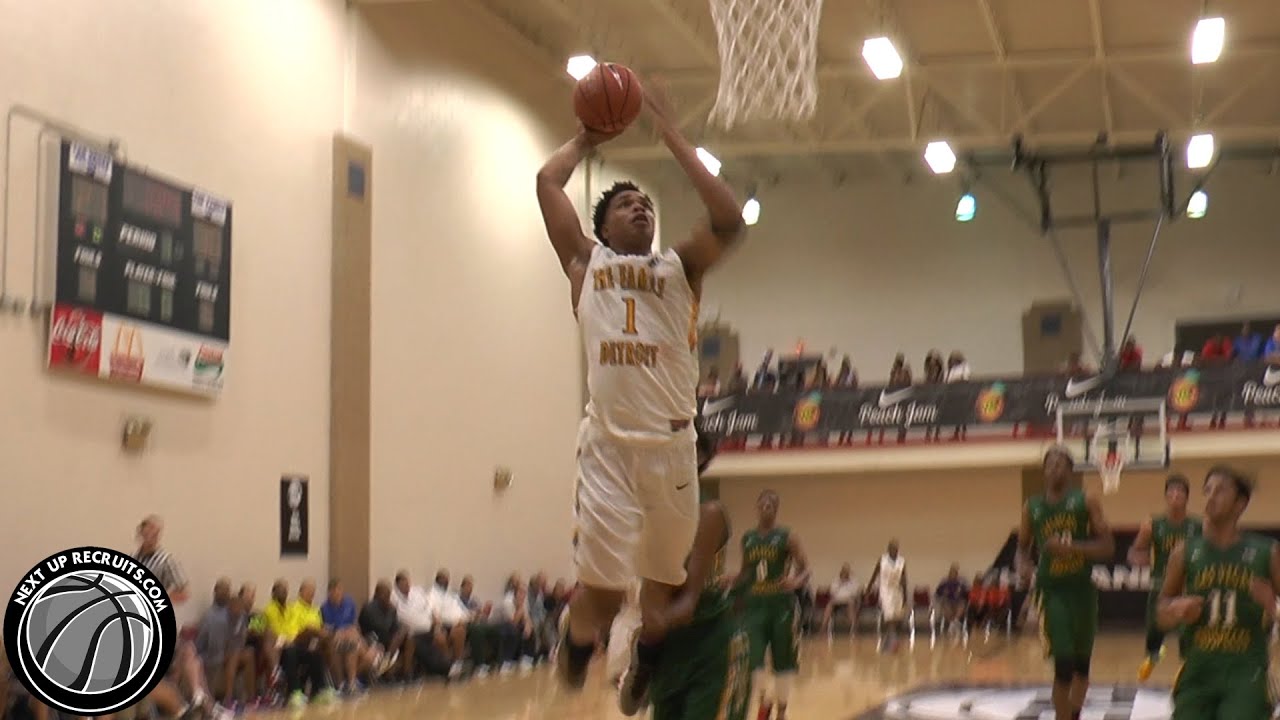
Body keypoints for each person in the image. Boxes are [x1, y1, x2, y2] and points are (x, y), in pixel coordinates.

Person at [535, 76, 744, 694]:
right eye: (626, 204)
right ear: (603, 226)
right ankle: (577, 641)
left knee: (662, 589)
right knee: (601, 597)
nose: (640, 208)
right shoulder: (586, 263)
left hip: (673, 449)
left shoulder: (681, 267)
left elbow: (730, 220)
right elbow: (547, 183)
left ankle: (646, 656)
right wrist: (586, 138)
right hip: (610, 447)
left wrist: (672, 136)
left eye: (646, 203)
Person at [1159, 466, 1279, 720]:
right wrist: (1175, 610)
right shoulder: (1184, 552)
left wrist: (1273, 606)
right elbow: (1160, 611)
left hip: (1246, 671)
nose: (1211, 496)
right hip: (1198, 670)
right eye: (1208, 490)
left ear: (1240, 504)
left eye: (1220, 490)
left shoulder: (1267, 553)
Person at [1017, 446, 1115, 720]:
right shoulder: (1032, 507)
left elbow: (1108, 546)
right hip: (1052, 591)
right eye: (1049, 464)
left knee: (1082, 668)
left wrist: (1072, 549)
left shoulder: (1086, 500)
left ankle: (1073, 715)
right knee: (1064, 666)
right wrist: (1023, 566)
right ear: (1043, 471)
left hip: (1082, 590)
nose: (1054, 468)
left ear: (1071, 471)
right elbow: (1022, 549)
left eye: (1060, 464)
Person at [732, 490, 809, 720]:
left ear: (776, 508)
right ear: (756, 507)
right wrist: (730, 580)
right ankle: (764, 701)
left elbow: (806, 568)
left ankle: (782, 711)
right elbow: (745, 573)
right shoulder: (747, 538)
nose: (766, 507)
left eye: (770, 504)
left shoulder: (787, 536)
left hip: (780, 605)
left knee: (783, 661)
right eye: (762, 504)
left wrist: (796, 581)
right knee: (753, 659)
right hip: (755, 605)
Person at [1127, 473, 1201, 681]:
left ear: (1187, 497)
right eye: (1172, 492)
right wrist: (1138, 557)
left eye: (1180, 492)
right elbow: (1136, 550)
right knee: (1155, 629)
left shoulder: (1198, 526)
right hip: (1161, 584)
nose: (1175, 496)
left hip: (1187, 585)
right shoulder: (1153, 524)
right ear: (1166, 496)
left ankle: (1186, 667)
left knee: (1187, 630)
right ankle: (1153, 656)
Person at [865, 540, 908, 651]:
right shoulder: (882, 560)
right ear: (888, 549)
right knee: (888, 615)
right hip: (885, 590)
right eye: (892, 548)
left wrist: (905, 596)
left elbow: (904, 579)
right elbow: (874, 576)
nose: (894, 550)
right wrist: (867, 592)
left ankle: (889, 639)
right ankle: (893, 639)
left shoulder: (901, 561)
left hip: (897, 591)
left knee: (896, 617)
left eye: (896, 548)